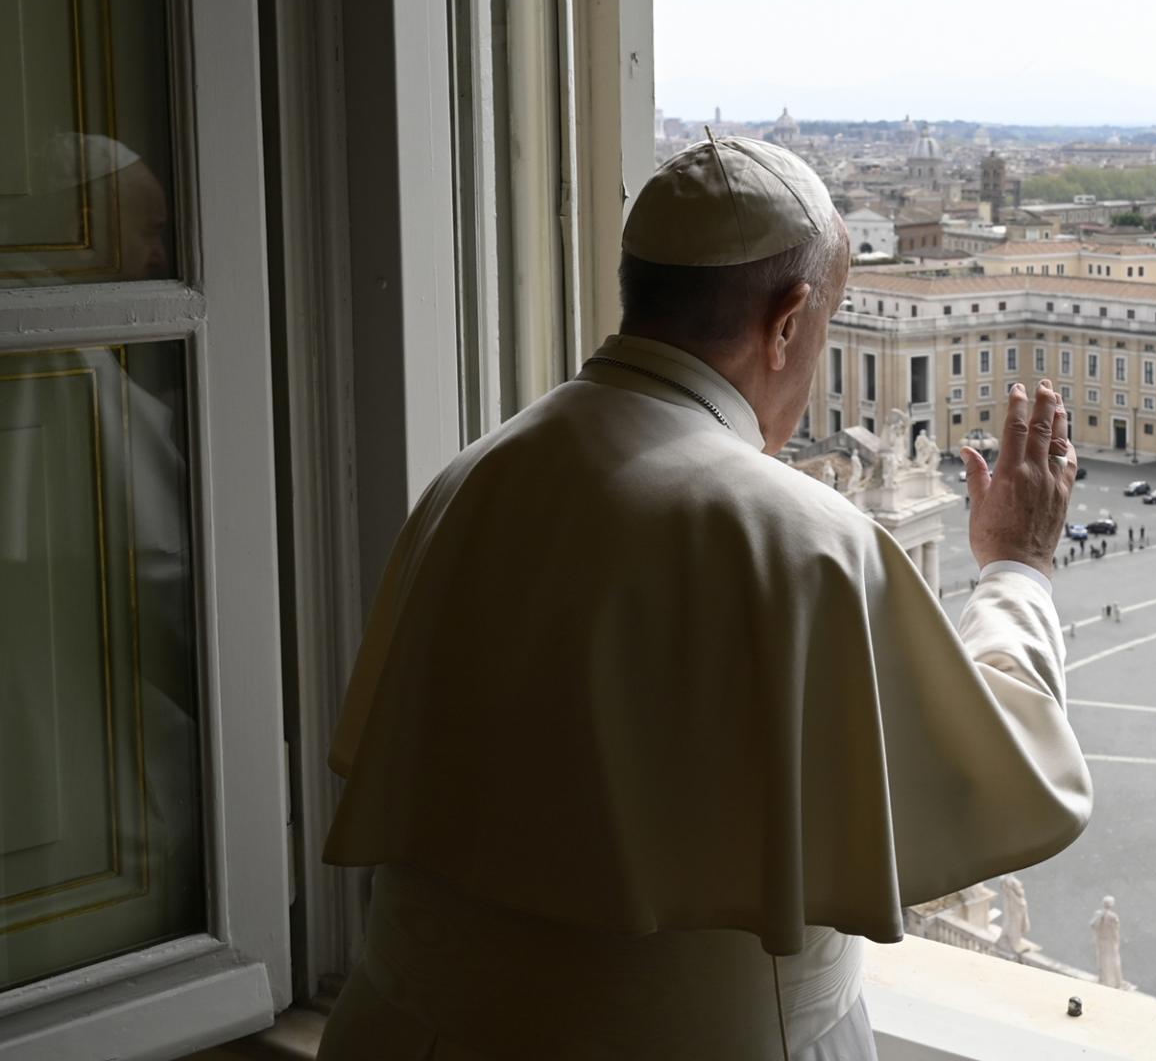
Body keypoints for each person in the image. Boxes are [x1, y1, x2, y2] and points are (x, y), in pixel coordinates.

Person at [318, 136, 1093, 1061]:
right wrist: (1017, 565)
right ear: (788, 321)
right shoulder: (801, 540)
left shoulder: (469, 478)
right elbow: (1009, 774)